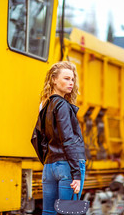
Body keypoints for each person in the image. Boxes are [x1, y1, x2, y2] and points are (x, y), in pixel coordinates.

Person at [39, 61, 87, 215]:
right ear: (54, 79)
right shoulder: (63, 106)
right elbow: (68, 139)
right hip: (68, 166)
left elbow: (37, 138)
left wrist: (47, 160)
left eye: (72, 79)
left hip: (50, 167)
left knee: (48, 212)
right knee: (68, 213)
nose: (71, 83)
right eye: (66, 78)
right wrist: (76, 174)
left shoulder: (44, 105)